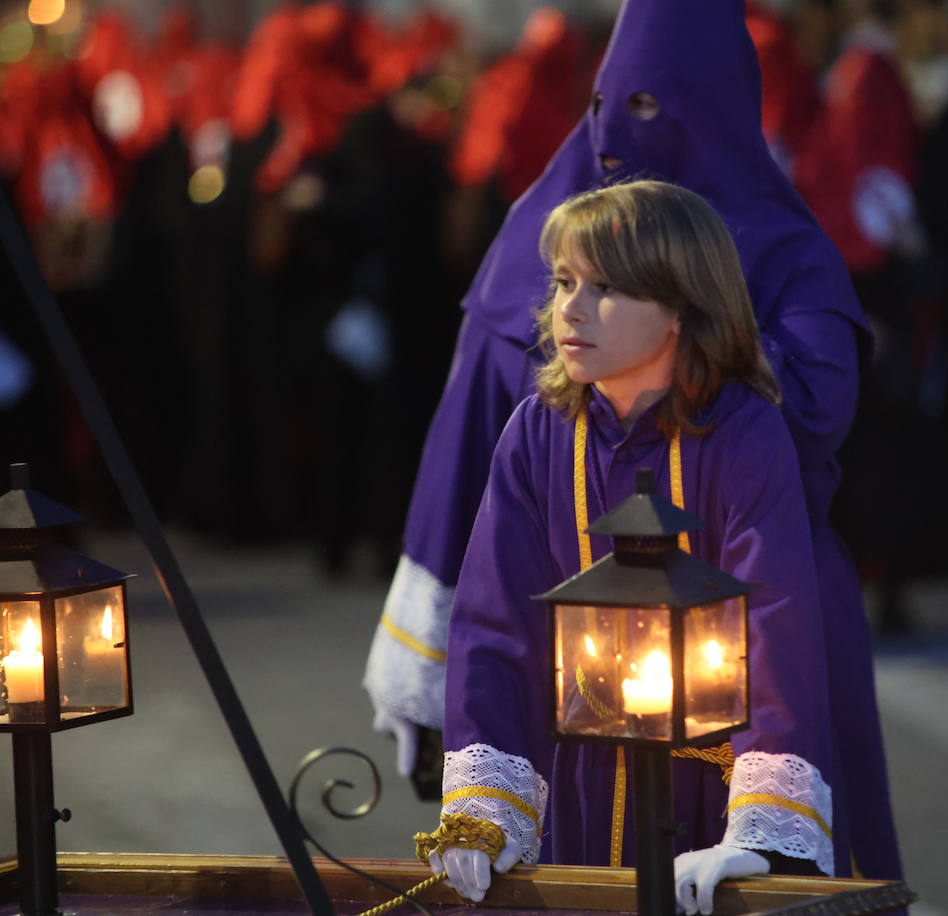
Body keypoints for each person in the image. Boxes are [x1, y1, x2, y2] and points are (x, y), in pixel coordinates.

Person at [365, 0, 902, 882]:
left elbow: (804, 437)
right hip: (586, 645)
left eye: (648, 105)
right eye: (604, 101)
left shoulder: (784, 276)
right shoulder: (544, 290)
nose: (616, 131)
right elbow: (481, 473)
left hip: (762, 612)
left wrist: (696, 327)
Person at [430, 180, 835, 916]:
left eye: (607, 288)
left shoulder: (744, 432)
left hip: (712, 785)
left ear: (681, 306)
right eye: (562, 282)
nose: (571, 310)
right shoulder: (538, 430)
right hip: (579, 776)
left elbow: (774, 621)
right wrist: (486, 804)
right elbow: (495, 623)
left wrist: (760, 826)